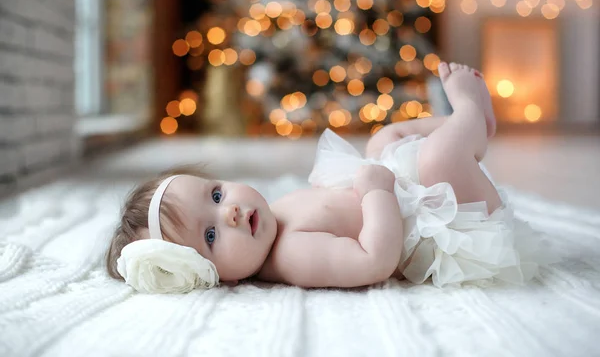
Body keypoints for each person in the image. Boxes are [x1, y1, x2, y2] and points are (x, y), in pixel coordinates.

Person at [107, 62, 551, 294]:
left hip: (413, 196)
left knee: (383, 139)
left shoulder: (273, 220)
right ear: (220, 278)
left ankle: (471, 136)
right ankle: (470, 115)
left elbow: (330, 210)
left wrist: (359, 183)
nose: (233, 213)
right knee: (436, 159)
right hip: (455, 229)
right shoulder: (292, 256)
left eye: (217, 195)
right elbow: (373, 260)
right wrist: (375, 192)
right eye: (210, 234)